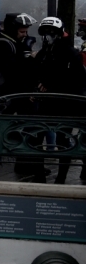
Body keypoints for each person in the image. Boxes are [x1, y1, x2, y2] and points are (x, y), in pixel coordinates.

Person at [0, 12, 42, 182]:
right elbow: (14, 73)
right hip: (16, 92)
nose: (25, 35)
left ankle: (26, 162)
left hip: (22, 92)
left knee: (31, 128)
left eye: (26, 32)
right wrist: (28, 92)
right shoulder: (3, 45)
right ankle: (28, 163)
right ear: (13, 29)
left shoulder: (13, 42)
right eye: (22, 32)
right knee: (33, 128)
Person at [33, 17, 86, 184]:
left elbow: (77, 79)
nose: (48, 36)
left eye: (52, 33)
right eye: (45, 33)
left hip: (66, 105)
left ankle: (61, 178)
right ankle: (39, 175)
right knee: (36, 138)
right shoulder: (45, 51)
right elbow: (35, 71)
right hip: (46, 104)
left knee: (63, 141)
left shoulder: (71, 53)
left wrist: (51, 84)